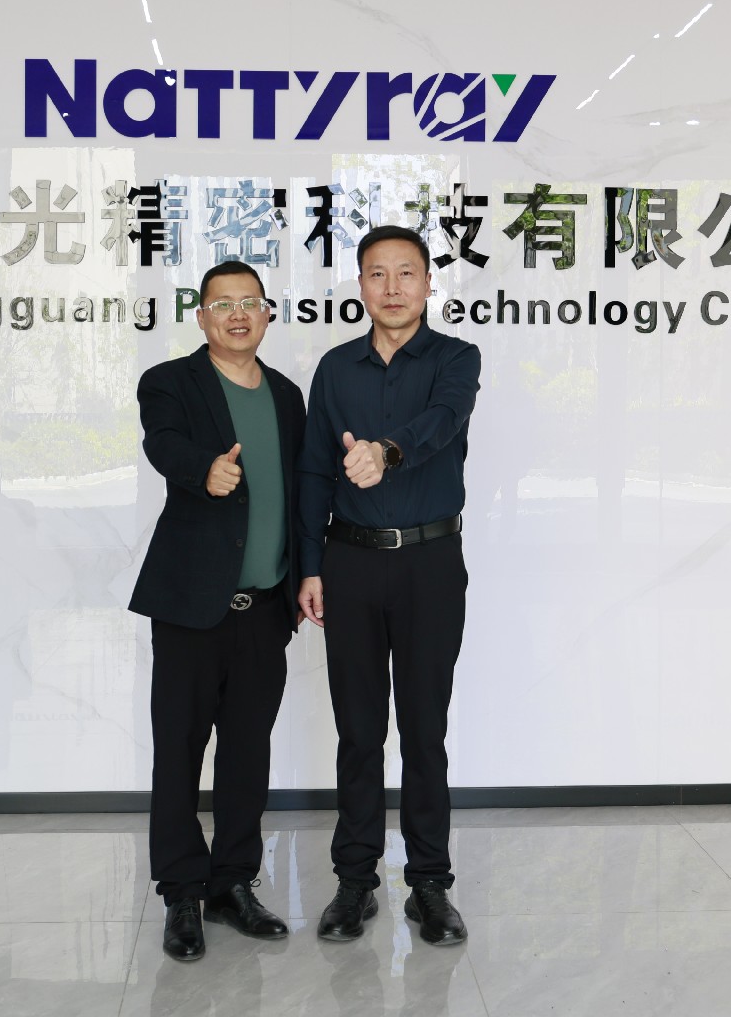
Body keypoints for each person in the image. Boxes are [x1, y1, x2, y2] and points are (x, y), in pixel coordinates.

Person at [296, 225, 482, 947]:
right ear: (362, 286)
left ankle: (430, 884)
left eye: (408, 273)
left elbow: (443, 421)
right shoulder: (335, 368)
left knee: (425, 727)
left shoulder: (456, 359)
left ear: (429, 284)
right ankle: (355, 882)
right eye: (379, 274)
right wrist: (310, 565)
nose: (394, 287)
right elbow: (316, 468)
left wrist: (387, 451)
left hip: (430, 563)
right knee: (358, 728)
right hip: (351, 562)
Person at [129, 260, 306, 963]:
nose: (237, 314)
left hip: (264, 608)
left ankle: (232, 883)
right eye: (222, 304)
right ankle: (181, 891)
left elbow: (299, 491)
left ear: (267, 314)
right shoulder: (170, 382)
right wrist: (203, 468)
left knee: (246, 752)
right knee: (178, 750)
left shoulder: (287, 395)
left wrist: (307, 576)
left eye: (250, 303)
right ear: (201, 317)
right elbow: (162, 442)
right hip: (190, 606)